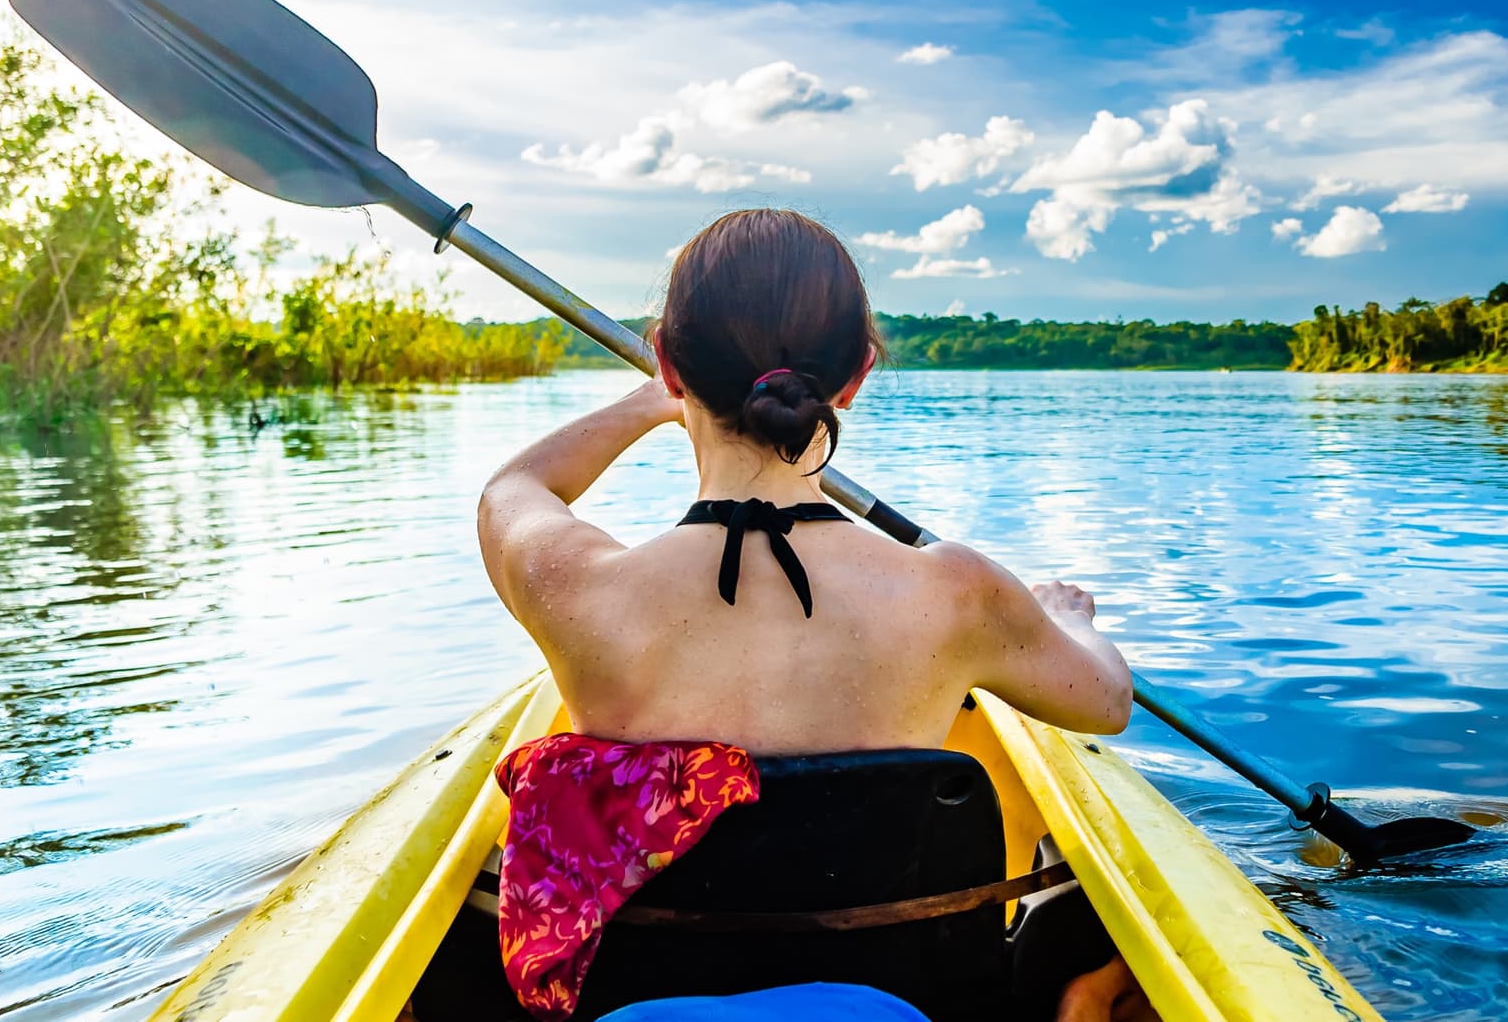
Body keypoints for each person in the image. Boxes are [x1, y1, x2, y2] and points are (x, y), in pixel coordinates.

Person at [475, 208, 1138, 1021]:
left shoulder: (578, 588)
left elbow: (512, 492)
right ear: (855, 376)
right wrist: (1065, 616)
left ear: (669, 360)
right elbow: (1106, 703)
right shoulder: (957, 594)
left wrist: (646, 402)